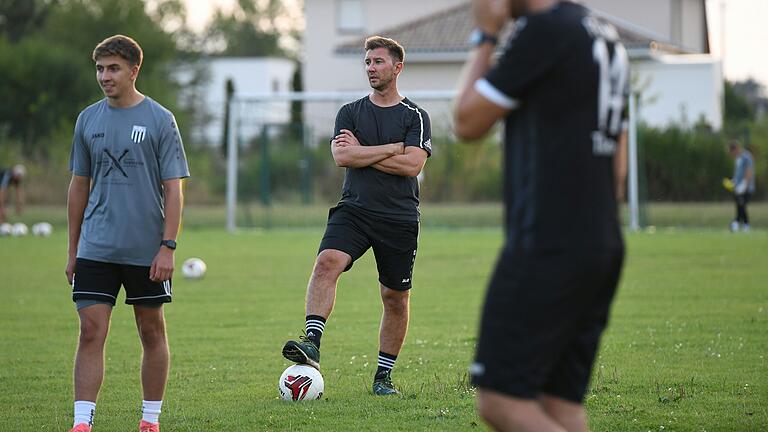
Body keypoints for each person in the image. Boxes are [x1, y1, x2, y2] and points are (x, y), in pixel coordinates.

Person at [454, 0, 629, 431]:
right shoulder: (603, 34)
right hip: (601, 240)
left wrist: (486, 37)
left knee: (500, 399)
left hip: (549, 243)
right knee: (560, 404)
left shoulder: (544, 31)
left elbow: (467, 120)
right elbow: (619, 160)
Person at [281, 36, 432, 396]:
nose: (371, 68)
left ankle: (383, 378)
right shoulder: (349, 113)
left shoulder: (416, 117)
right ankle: (313, 341)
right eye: (367, 62)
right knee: (326, 261)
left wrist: (365, 151)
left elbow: (412, 165)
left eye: (378, 62)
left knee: (394, 298)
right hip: (355, 209)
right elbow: (343, 158)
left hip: (399, 217)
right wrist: (390, 148)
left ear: (397, 67)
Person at [66, 35, 189, 432]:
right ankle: (82, 423)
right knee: (90, 330)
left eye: (113, 68)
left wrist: (168, 247)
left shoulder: (159, 119)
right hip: (96, 246)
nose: (105, 76)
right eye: (100, 68)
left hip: (145, 250)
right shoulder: (87, 119)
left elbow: (174, 189)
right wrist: (72, 250)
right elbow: (78, 186)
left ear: (134, 70)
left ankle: (149, 420)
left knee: (150, 331)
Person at [727, 140, 755, 232]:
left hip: (746, 187)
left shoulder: (746, 157)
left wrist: (744, 184)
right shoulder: (737, 159)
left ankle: (742, 224)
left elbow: (749, 171)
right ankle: (738, 223)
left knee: (741, 205)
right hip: (738, 187)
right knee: (739, 205)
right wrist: (734, 181)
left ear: (735, 149)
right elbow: (738, 173)